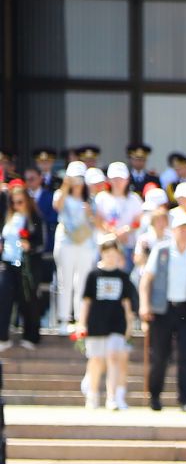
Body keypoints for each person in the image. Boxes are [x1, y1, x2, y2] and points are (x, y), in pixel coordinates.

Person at [139, 210, 186, 413]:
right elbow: (147, 279)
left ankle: (185, 398)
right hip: (163, 308)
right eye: (181, 229)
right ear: (174, 230)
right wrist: (145, 305)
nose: (184, 233)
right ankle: (155, 395)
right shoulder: (161, 251)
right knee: (160, 354)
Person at [79, 239, 134, 410]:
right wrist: (82, 323)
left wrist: (129, 324)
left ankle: (112, 397)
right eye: (107, 253)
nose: (111, 257)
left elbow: (127, 303)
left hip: (116, 322)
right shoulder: (93, 275)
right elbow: (86, 302)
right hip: (96, 322)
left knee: (114, 357)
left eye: (114, 254)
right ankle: (93, 394)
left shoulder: (123, 276)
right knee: (96, 360)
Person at [51, 162, 96, 334]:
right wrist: (66, 183)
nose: (78, 182)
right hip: (66, 242)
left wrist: (89, 212)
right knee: (65, 280)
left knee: (82, 281)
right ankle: (64, 319)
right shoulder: (61, 194)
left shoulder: (90, 199)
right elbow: (57, 205)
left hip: (85, 244)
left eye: (81, 178)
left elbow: (96, 222)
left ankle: (80, 319)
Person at [1, 181, 42, 347]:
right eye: (13, 201)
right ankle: (2, 337)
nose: (16, 205)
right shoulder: (8, 216)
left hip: (27, 266)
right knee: (3, 298)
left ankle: (31, 336)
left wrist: (30, 246)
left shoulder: (34, 218)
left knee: (28, 300)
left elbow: (41, 242)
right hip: (8, 262)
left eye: (20, 201)